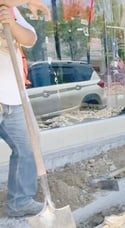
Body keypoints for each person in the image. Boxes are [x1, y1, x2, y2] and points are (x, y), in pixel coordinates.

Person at [0, 5, 43, 217]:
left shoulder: (12, 10)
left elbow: (30, 38)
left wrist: (12, 24)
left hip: (14, 98)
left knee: (28, 148)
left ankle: (20, 201)